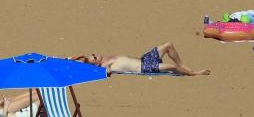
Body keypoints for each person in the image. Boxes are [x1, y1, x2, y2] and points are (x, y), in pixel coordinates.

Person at [74, 43, 210, 76]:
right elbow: (106, 72)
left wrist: (77, 58)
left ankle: (183, 65)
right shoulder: (104, 67)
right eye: (95, 57)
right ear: (96, 64)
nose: (96, 55)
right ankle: (194, 73)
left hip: (144, 59)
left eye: (94, 54)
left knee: (168, 45)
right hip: (144, 68)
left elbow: (80, 58)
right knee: (172, 67)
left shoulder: (108, 58)